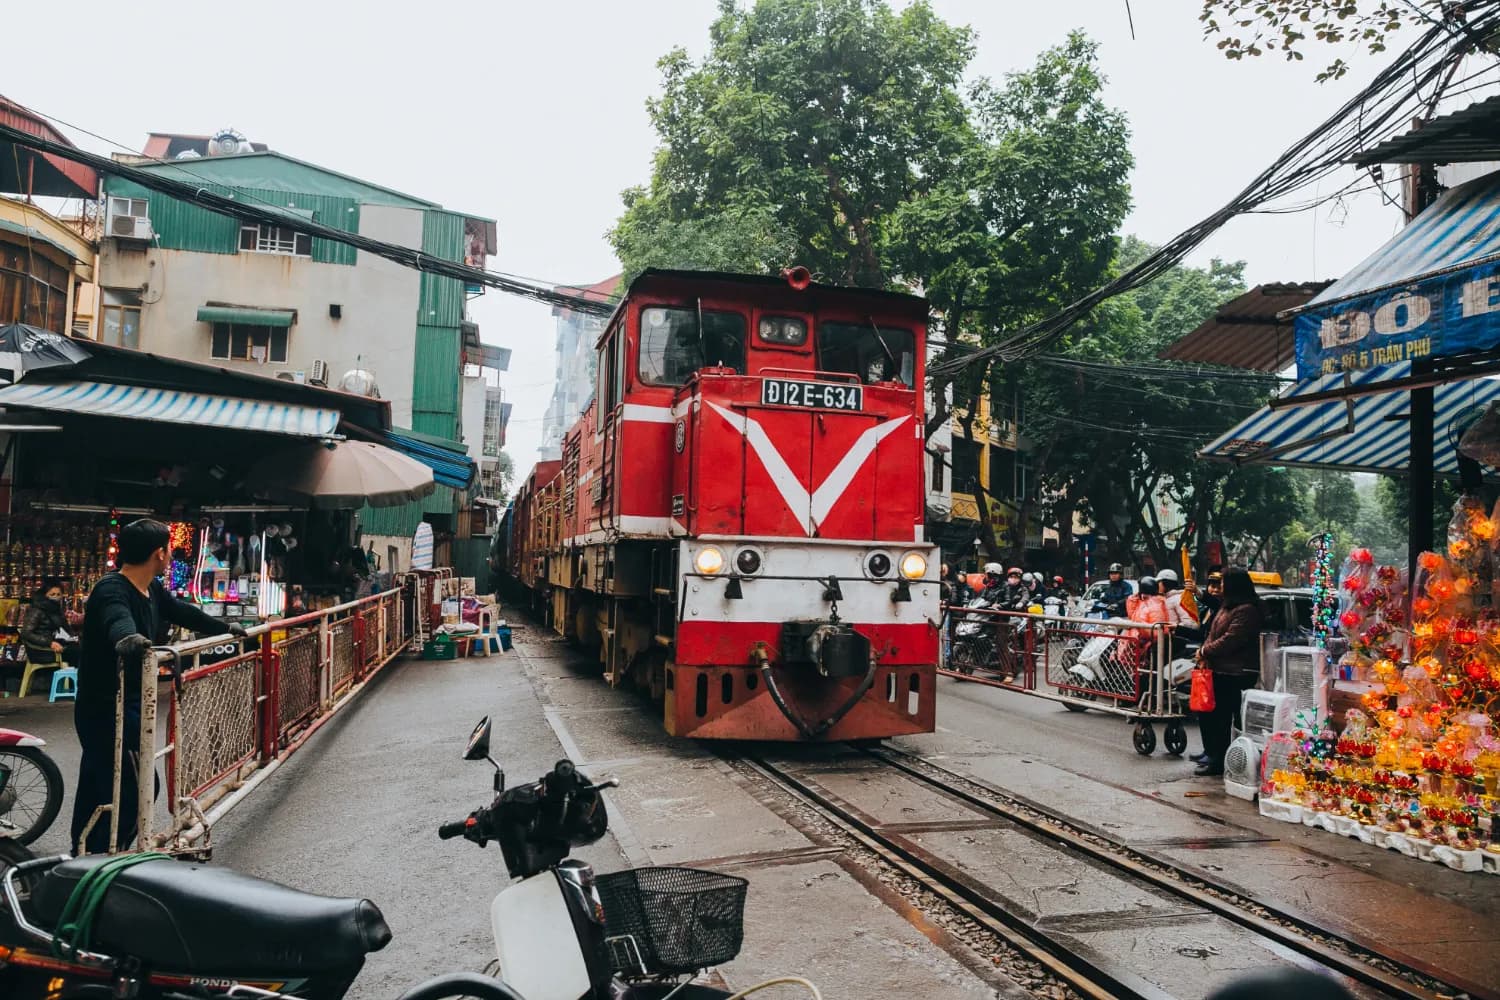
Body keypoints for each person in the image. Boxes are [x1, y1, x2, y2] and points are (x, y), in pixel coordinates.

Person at [71, 519, 247, 854]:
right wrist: (127, 638)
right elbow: (116, 618)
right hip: (106, 707)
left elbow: (181, 612)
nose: (170, 555)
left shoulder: (151, 589)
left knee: (101, 782)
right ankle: (106, 856)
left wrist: (224, 627)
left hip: (130, 702)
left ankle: (84, 852)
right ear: (159, 553)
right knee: (134, 787)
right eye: (168, 549)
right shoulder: (112, 589)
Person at [1193, 568, 1265, 777]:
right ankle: (1213, 754)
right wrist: (1203, 653)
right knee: (1210, 714)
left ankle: (1219, 760)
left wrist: (1205, 650)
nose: (1220, 586)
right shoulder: (1226, 607)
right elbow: (1212, 634)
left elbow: (1231, 639)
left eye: (1223, 582)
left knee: (1223, 718)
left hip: (1236, 672)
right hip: (1218, 669)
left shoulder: (1247, 610)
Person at [21, 577, 79, 671]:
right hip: (39, 649)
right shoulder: (37, 610)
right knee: (75, 653)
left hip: (51, 643)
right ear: (45, 595)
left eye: (58, 594)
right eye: (52, 594)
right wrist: (50, 643)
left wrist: (76, 638)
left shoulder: (55, 609)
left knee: (80, 648)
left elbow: (66, 628)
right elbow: (26, 633)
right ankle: (73, 682)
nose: (55, 596)